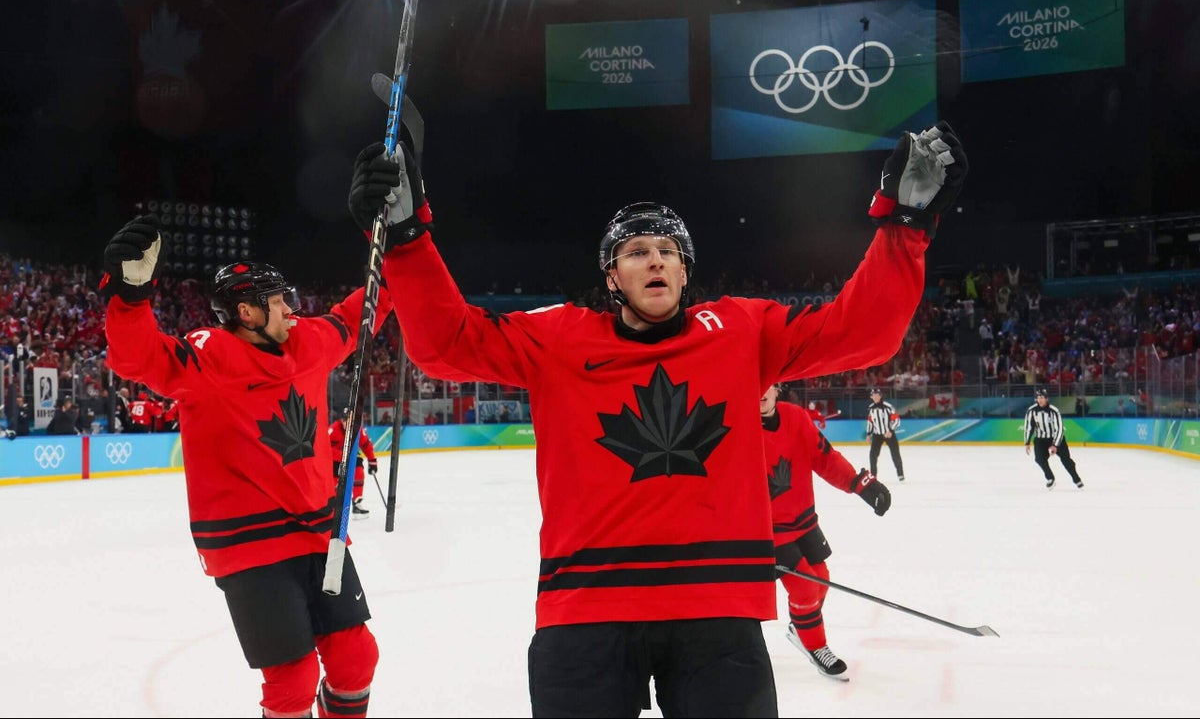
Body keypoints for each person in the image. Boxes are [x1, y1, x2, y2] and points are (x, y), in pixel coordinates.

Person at [348, 116, 966, 717]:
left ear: (685, 270)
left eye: (669, 250)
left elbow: (862, 333)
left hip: (717, 612)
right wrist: (406, 237)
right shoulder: (558, 337)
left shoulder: (741, 330)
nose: (655, 261)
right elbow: (445, 343)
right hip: (586, 610)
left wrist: (905, 224)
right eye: (636, 251)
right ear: (611, 275)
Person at [101, 215, 392, 718]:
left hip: (320, 534)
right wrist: (129, 297)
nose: (291, 310)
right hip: (249, 546)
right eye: (278, 302)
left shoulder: (307, 341)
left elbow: (358, 313)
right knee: (293, 681)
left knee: (356, 658)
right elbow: (138, 357)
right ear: (247, 313)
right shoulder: (208, 360)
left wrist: (390, 242)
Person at [759, 383, 890, 681]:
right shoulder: (739, 427)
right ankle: (816, 646)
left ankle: (800, 627)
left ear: (777, 387)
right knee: (804, 587)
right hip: (768, 530)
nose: (759, 392)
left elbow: (825, 458)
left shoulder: (796, 418)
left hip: (803, 520)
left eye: (765, 384)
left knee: (821, 579)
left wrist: (861, 485)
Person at [1023, 388, 1084, 490]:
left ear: (1046, 398)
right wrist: (1027, 442)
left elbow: (1059, 428)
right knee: (1039, 459)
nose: (1040, 400)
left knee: (1066, 460)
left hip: (1056, 438)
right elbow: (1029, 426)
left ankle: (1076, 479)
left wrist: (1055, 444)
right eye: (1038, 398)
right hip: (1040, 439)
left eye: (1042, 397)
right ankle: (1050, 478)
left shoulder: (1054, 411)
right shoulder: (1031, 411)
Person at [329, 407, 378, 519]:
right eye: (346, 420)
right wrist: (342, 455)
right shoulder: (333, 430)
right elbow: (324, 449)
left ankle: (357, 504)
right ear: (341, 420)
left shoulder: (358, 430)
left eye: (351, 420)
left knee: (358, 469)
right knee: (334, 485)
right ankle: (334, 507)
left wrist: (372, 461)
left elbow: (366, 445)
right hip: (334, 461)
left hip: (349, 458)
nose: (348, 423)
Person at [865, 386, 905, 482]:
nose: (875, 396)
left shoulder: (888, 406)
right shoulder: (871, 408)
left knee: (895, 454)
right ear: (871, 397)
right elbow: (870, 422)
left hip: (889, 434)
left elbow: (896, 420)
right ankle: (873, 476)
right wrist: (868, 434)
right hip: (877, 435)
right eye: (873, 395)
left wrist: (890, 431)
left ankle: (900, 475)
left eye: (877, 395)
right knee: (873, 455)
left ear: (880, 395)